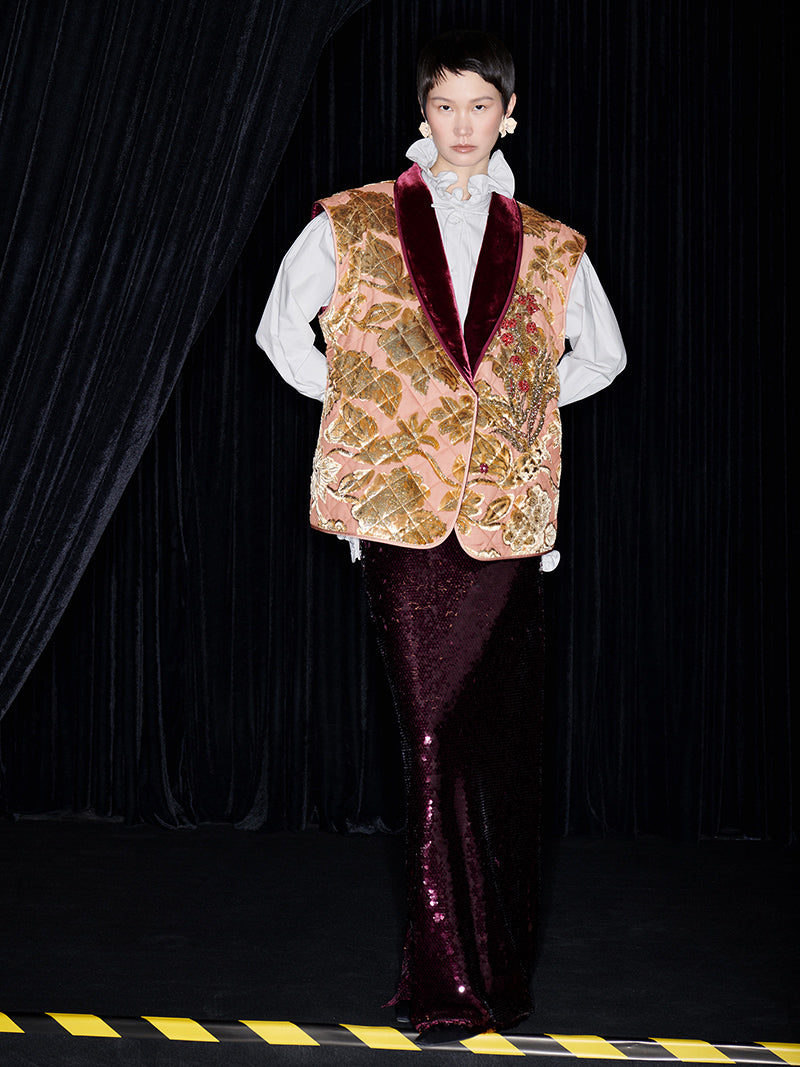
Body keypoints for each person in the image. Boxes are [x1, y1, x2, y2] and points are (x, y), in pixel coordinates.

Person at [256, 29, 625, 1044]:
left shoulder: (551, 243)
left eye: (480, 107)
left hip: (500, 526)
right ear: (422, 115)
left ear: (509, 116)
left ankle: (494, 967)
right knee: (427, 738)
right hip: (399, 520)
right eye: (444, 107)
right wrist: (368, 415)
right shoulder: (354, 219)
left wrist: (514, 420)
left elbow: (599, 356)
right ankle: (444, 980)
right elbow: (282, 334)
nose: (462, 125)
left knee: (484, 743)